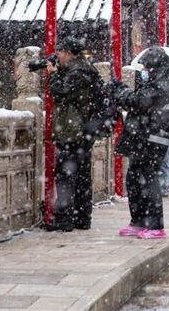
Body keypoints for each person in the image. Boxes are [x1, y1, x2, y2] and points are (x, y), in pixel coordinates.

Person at [113, 47, 169, 239]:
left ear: (154, 67)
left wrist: (120, 91)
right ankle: (138, 221)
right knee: (134, 180)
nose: (143, 69)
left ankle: (155, 225)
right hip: (141, 140)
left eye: (145, 66)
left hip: (151, 142)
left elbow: (136, 101)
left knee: (148, 183)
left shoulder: (160, 86)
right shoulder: (155, 84)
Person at [43, 37, 100, 232]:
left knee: (66, 177)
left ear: (68, 53)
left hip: (72, 132)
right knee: (82, 177)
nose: (57, 55)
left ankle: (64, 220)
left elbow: (60, 92)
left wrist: (53, 75)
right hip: (84, 131)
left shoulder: (77, 73)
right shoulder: (87, 69)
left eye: (59, 52)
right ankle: (83, 218)